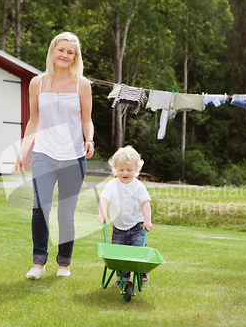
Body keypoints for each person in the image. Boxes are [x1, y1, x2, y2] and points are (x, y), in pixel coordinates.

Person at [14, 32, 94, 279]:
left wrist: (89, 139)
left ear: (75, 57)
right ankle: (38, 263)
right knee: (40, 206)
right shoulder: (37, 83)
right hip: (44, 153)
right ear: (52, 51)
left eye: (70, 52)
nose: (65, 55)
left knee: (67, 212)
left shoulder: (82, 84)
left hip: (73, 156)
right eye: (61, 50)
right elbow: (33, 121)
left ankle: (64, 264)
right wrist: (23, 150)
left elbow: (87, 120)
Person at [97, 146, 152, 285]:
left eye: (129, 170)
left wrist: (147, 220)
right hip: (118, 228)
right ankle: (123, 277)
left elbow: (145, 204)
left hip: (137, 227)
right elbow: (103, 199)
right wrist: (102, 213)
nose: (125, 173)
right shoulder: (112, 185)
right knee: (118, 255)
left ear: (136, 169)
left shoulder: (138, 186)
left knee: (139, 250)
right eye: (121, 170)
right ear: (115, 168)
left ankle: (141, 272)